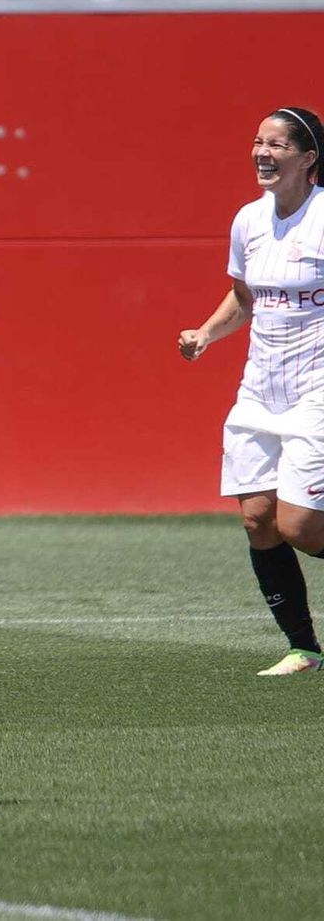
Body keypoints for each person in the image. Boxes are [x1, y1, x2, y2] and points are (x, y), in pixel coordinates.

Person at [178, 106, 324, 677]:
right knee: (258, 519)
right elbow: (245, 297)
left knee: (300, 527)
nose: (262, 152)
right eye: (257, 142)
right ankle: (304, 649)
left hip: (317, 389)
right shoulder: (249, 220)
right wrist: (205, 335)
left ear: (308, 157)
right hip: (260, 390)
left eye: (277, 145)